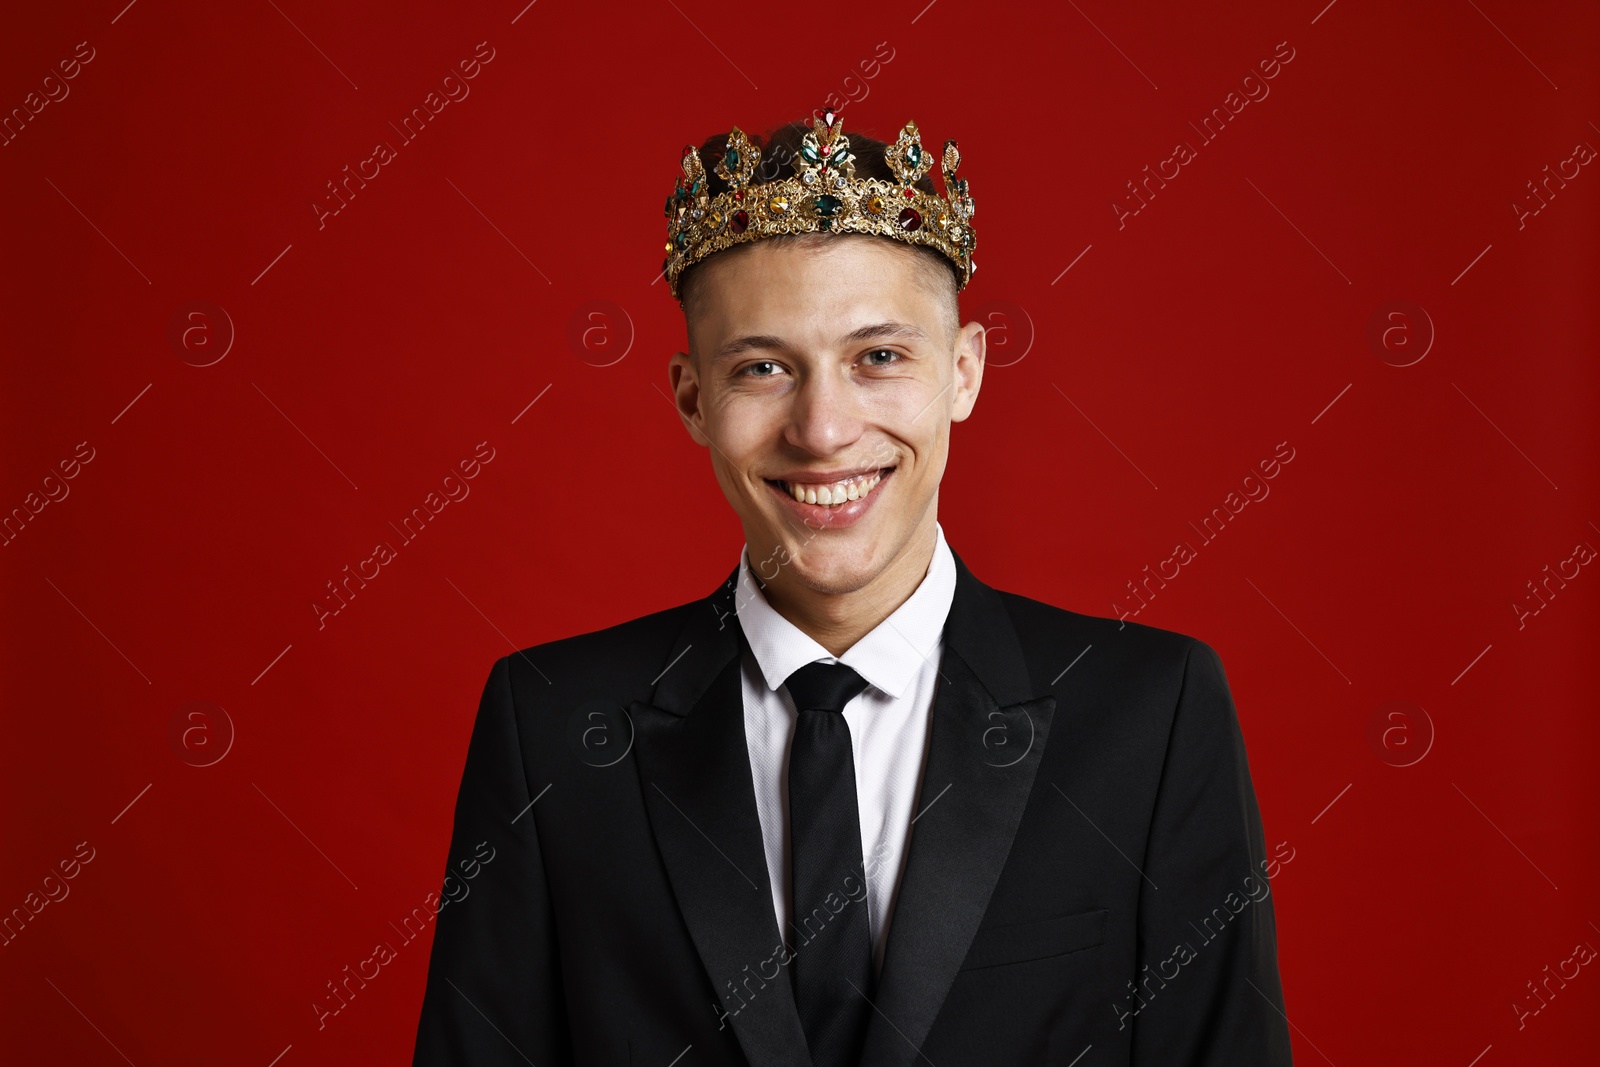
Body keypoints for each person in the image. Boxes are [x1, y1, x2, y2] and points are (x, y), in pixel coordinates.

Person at [412, 109, 1294, 1066]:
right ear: (692, 398)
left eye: (879, 357)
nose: (823, 428)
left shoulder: (1150, 717)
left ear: (963, 372)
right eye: (762, 368)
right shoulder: (549, 725)